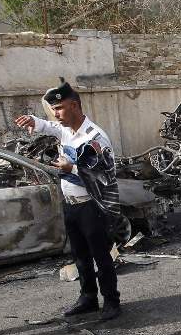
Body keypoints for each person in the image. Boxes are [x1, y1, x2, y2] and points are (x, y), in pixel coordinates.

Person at [15, 81, 121, 320]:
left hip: (91, 206)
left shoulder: (95, 137)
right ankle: (88, 298)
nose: (56, 114)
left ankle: (111, 301)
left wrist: (71, 168)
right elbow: (49, 126)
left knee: (101, 256)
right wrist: (33, 121)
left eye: (60, 108)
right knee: (80, 256)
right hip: (71, 204)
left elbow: (106, 176)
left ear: (74, 106)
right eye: (53, 109)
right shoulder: (66, 129)